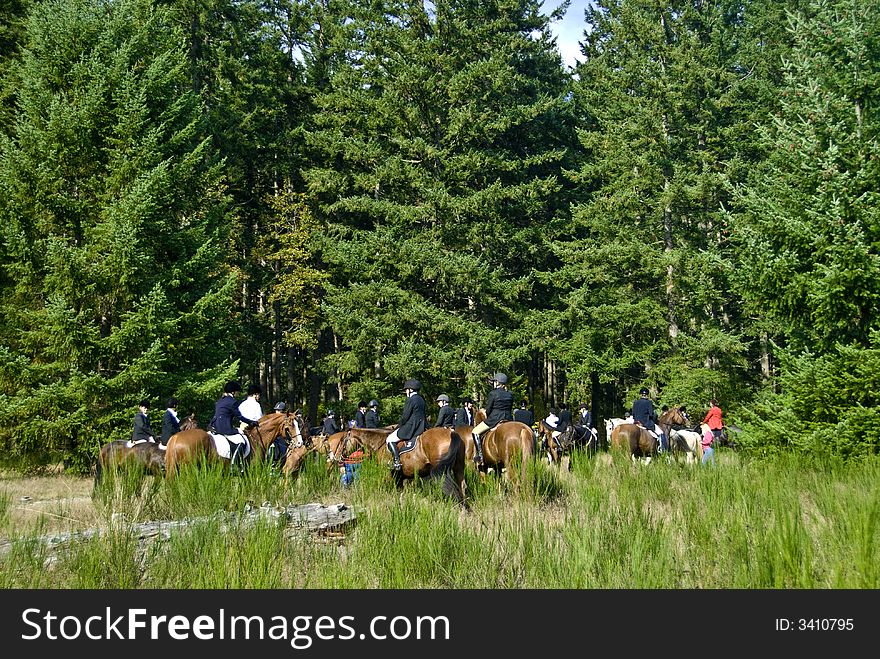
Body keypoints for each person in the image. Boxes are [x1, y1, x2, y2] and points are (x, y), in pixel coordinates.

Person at [210, 380, 258, 467]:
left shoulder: (220, 401)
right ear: (233, 392)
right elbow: (239, 417)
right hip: (224, 427)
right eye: (237, 393)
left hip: (214, 426)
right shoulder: (232, 402)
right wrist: (251, 422)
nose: (237, 395)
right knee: (241, 441)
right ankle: (234, 464)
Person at [470, 373, 514, 465]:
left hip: (494, 419)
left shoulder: (493, 393)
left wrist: (489, 416)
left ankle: (480, 456)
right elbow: (510, 408)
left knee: (475, 431)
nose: (494, 383)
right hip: (508, 419)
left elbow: (489, 409)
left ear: (498, 383)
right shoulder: (510, 394)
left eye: (494, 381)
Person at [386, 379, 427, 470]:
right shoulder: (421, 399)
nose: (406, 392)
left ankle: (396, 461)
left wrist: (398, 426)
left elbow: (405, 417)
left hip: (411, 427)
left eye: (406, 390)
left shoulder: (410, 400)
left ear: (410, 390)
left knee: (389, 439)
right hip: (421, 426)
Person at [632, 387, 666, 451]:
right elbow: (651, 414)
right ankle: (662, 449)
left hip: (636, 422)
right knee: (661, 433)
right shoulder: (649, 402)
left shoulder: (635, 402)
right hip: (645, 423)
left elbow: (633, 414)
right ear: (647, 395)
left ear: (640, 394)